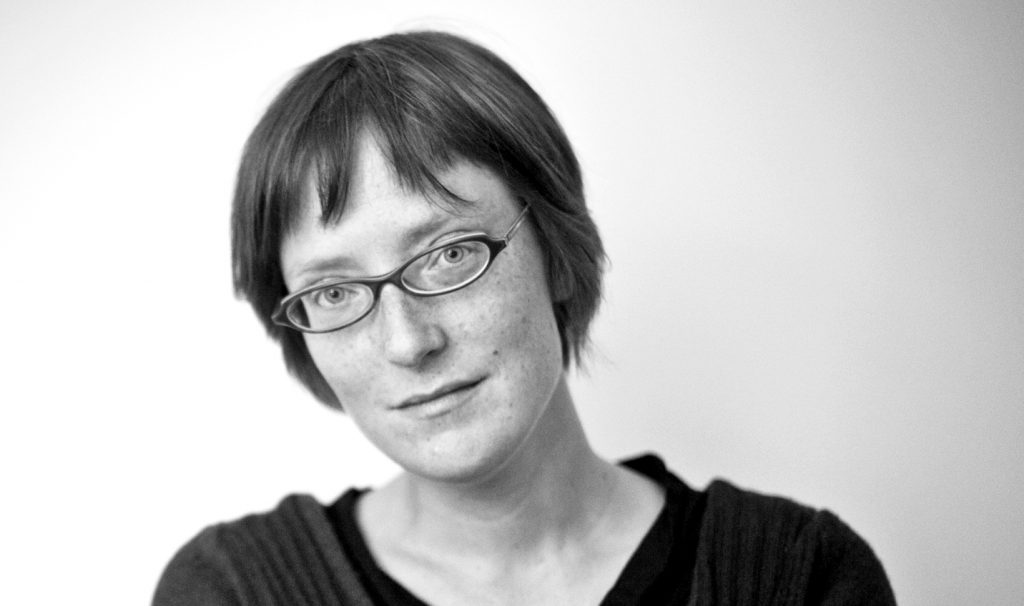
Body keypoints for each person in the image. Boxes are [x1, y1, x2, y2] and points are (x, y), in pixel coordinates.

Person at [153, 31, 896, 605]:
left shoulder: (798, 577)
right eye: (335, 294)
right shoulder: (233, 591)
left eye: (448, 255)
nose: (409, 341)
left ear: (556, 247)